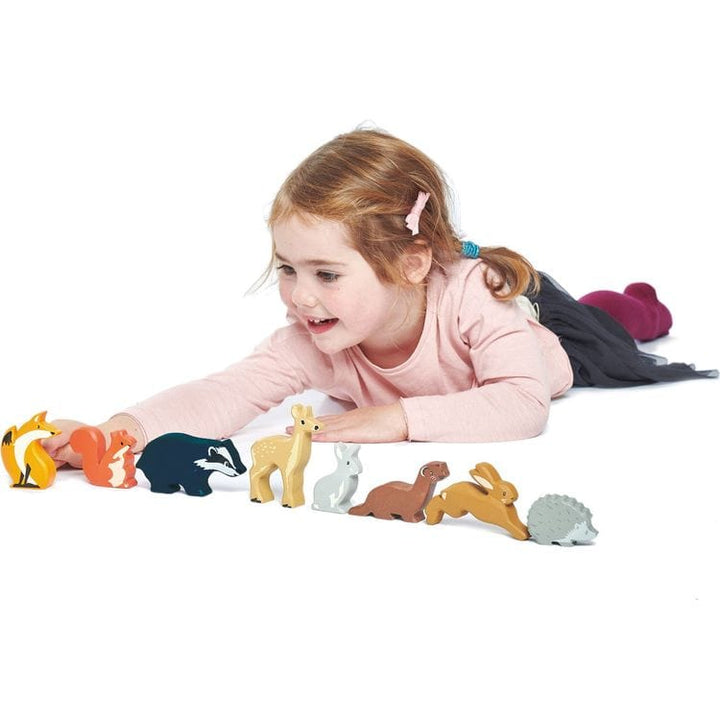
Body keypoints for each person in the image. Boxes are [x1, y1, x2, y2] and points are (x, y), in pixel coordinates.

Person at [43, 129, 716, 466]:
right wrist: (121, 431)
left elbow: (521, 404)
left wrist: (396, 419)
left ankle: (641, 301)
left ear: (411, 263)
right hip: (489, 315)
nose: (300, 298)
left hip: (556, 343)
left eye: (327, 274)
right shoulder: (312, 340)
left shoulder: (472, 297)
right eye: (287, 268)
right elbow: (225, 393)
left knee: (617, 322)